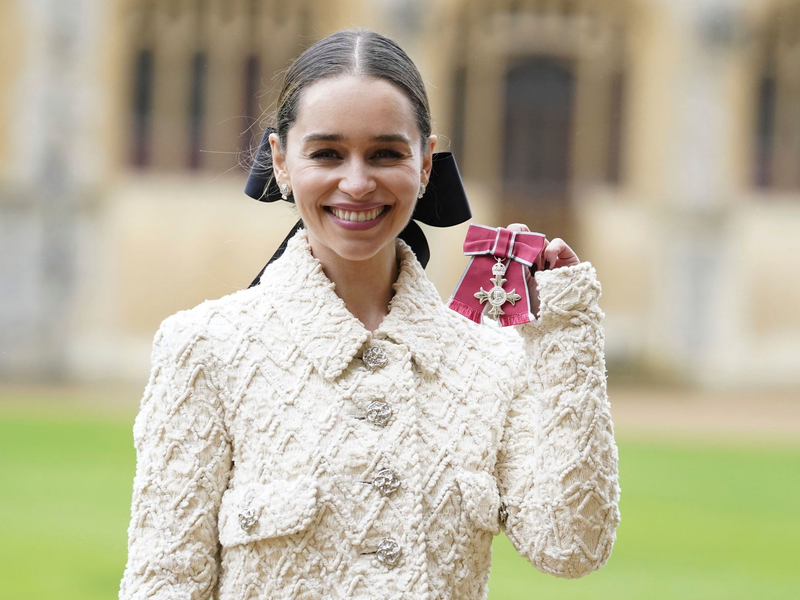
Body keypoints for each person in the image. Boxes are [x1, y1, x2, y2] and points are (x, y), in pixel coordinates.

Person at [118, 27, 620, 600]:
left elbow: (571, 547)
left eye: (385, 153)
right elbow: (163, 586)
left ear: (426, 163)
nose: (357, 183)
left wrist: (564, 332)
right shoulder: (203, 347)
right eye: (327, 153)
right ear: (281, 162)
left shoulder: (492, 359)